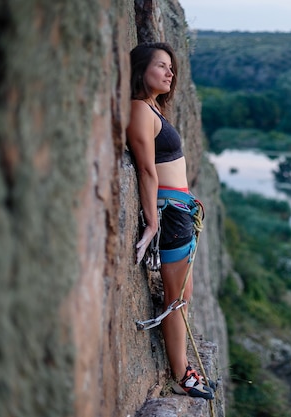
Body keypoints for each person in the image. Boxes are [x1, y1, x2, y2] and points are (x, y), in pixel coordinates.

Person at [126, 42, 213, 400]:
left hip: (180, 211)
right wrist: (150, 223)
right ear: (140, 70)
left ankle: (184, 368)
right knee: (177, 299)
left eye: (171, 68)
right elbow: (147, 170)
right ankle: (182, 376)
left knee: (183, 295)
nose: (169, 72)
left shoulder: (152, 108)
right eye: (161, 66)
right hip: (170, 215)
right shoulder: (138, 110)